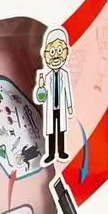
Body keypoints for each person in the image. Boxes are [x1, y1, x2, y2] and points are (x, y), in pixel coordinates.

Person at [34, 28, 74, 164]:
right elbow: (41, 98)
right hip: (50, 108)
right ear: (46, 55)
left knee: (61, 130)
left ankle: (61, 151)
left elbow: (67, 91)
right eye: (52, 52)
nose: (56, 55)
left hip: (61, 107)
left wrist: (69, 106)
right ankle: (51, 154)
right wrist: (40, 87)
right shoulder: (46, 76)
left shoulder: (65, 74)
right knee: (51, 131)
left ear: (66, 52)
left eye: (59, 51)